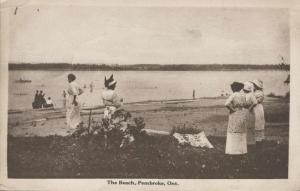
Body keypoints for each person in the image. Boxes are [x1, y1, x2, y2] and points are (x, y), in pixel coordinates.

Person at [224, 82, 247, 155]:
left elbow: (226, 104)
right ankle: (241, 150)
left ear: (233, 88)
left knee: (233, 130)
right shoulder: (243, 95)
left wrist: (232, 109)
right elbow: (245, 104)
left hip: (235, 113)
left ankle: (233, 150)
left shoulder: (233, 95)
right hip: (241, 113)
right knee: (240, 130)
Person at [251, 79, 265, 146]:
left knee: (257, 121)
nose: (252, 86)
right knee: (257, 122)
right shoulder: (257, 92)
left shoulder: (259, 93)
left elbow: (256, 102)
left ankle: (258, 139)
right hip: (258, 107)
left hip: (257, 108)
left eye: (253, 85)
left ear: (256, 86)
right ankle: (258, 138)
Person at [243, 81, 258, 146]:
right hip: (244, 110)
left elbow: (255, 102)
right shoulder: (244, 94)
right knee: (245, 126)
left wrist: (250, 108)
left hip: (249, 111)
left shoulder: (251, 94)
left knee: (250, 126)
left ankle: (251, 142)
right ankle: (245, 141)